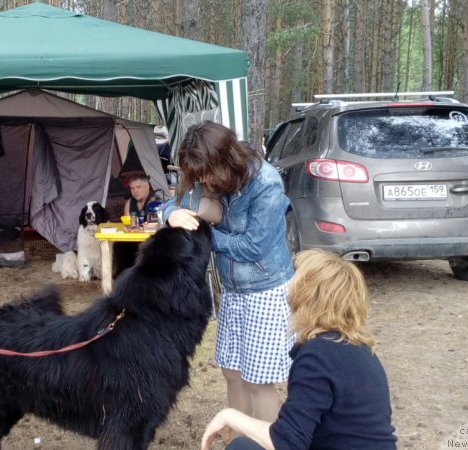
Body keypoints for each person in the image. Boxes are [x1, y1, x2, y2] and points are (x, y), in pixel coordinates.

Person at [163, 121, 294, 427]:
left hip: (267, 291)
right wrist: (172, 215)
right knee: (233, 373)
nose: (203, 181)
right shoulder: (208, 175)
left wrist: (205, 233)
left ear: (225, 160)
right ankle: (239, 443)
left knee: (259, 382)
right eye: (198, 176)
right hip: (233, 291)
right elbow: (175, 202)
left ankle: (266, 444)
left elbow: (252, 247)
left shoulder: (266, 184)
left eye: (206, 173)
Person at [200, 249, 397, 450]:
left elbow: (286, 443)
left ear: (306, 299)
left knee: (241, 448)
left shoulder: (318, 356)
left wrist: (229, 416)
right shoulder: (362, 350)